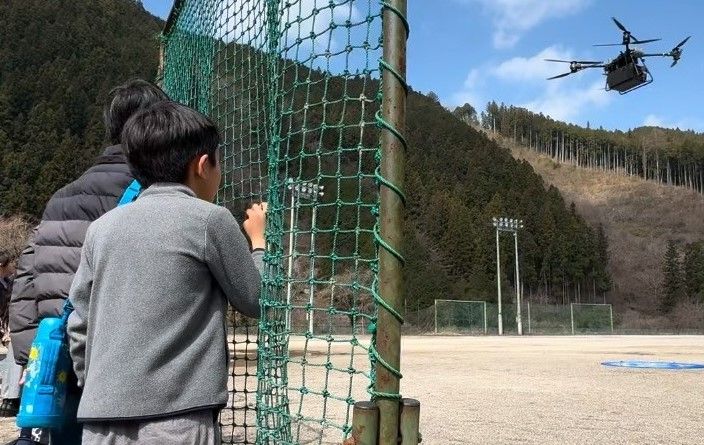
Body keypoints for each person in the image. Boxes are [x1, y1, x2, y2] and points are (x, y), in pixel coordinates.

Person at [66, 100, 265, 444]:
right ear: (203, 165)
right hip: (179, 416)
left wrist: (96, 385)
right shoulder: (209, 219)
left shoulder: (101, 228)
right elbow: (258, 299)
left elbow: (79, 323)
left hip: (101, 419)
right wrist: (259, 242)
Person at [8, 79, 169, 445]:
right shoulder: (152, 197)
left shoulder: (60, 198)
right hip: (121, 371)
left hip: (59, 365)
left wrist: (31, 359)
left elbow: (25, 283)